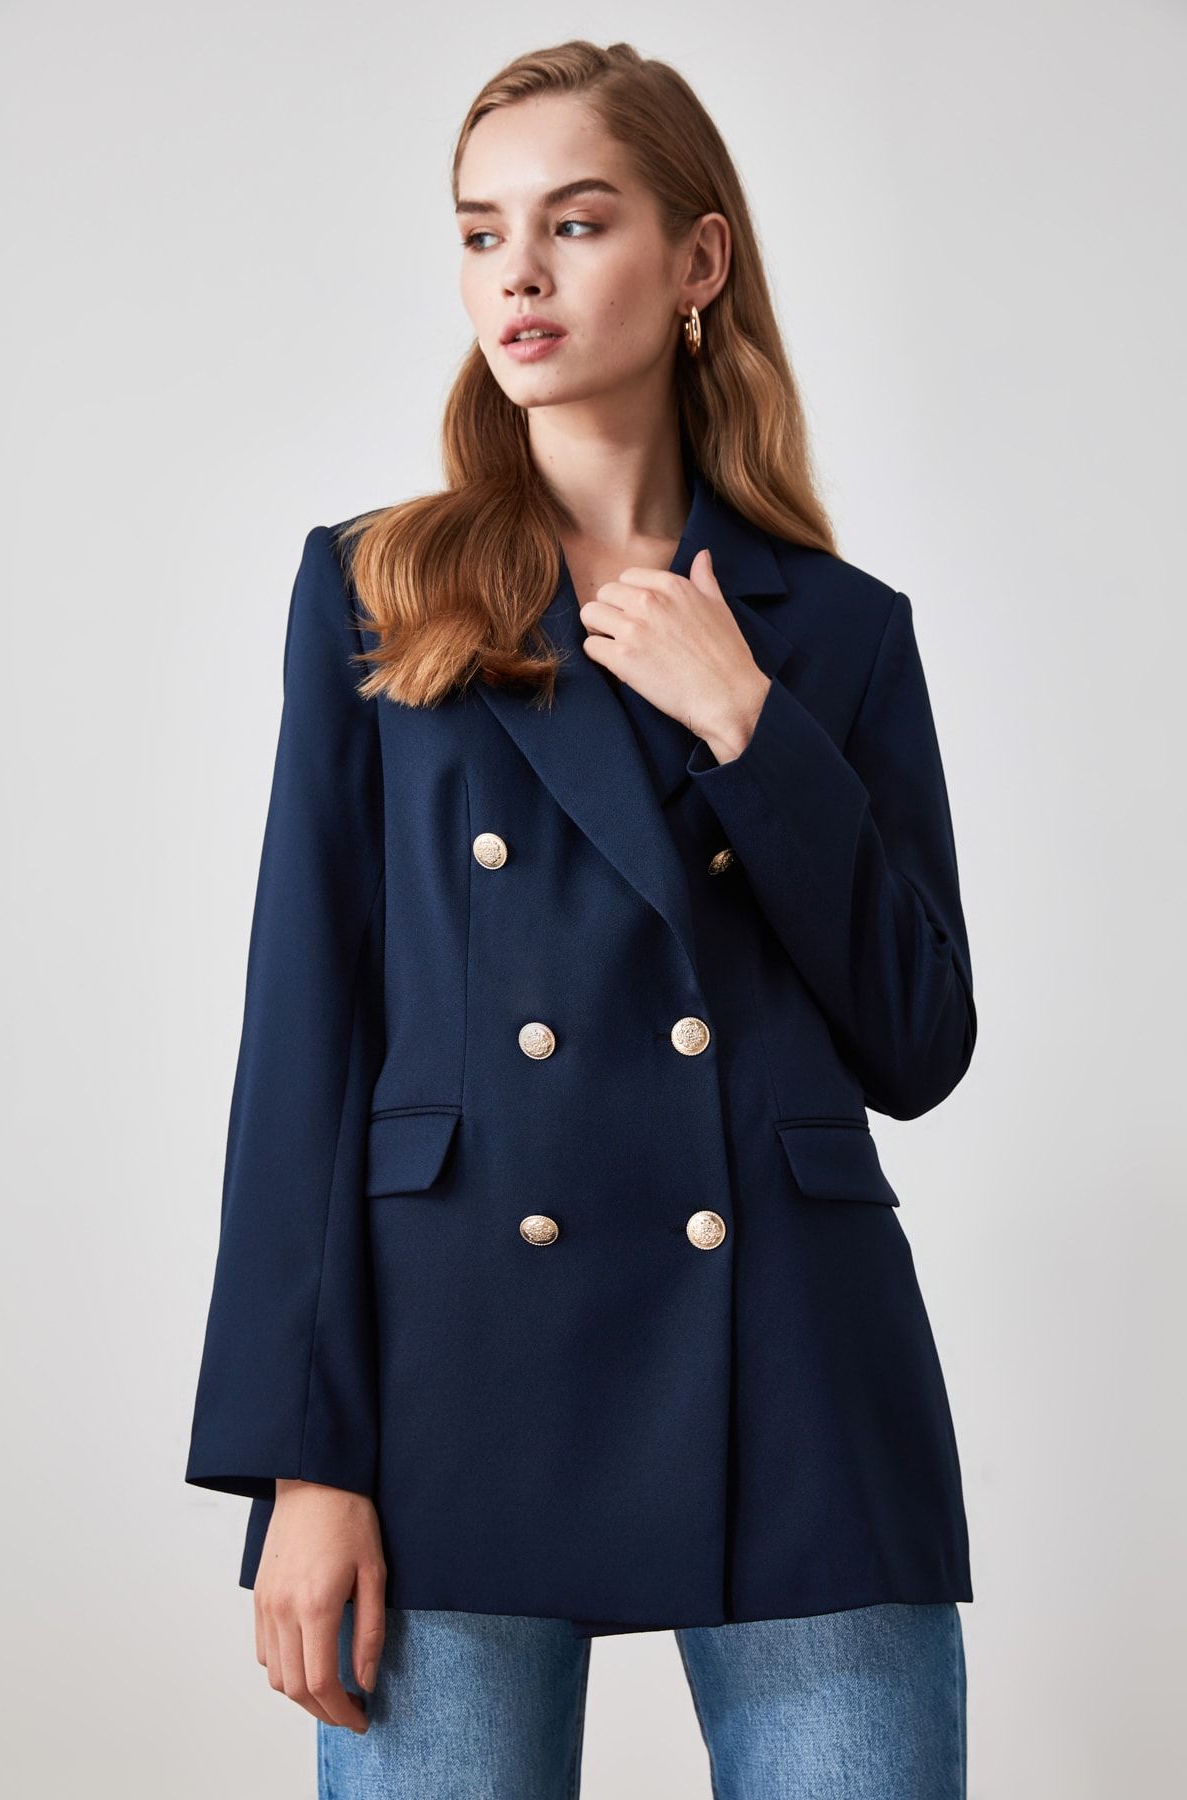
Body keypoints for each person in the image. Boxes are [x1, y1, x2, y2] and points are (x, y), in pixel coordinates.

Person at [185, 37, 975, 1799]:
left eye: (577, 221)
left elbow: (921, 1042)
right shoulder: (378, 588)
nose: (517, 276)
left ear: (699, 261)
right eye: (482, 233)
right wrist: (299, 1461)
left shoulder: (838, 633)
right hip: (449, 1364)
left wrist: (751, 727)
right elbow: (304, 1035)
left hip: (793, 1365)